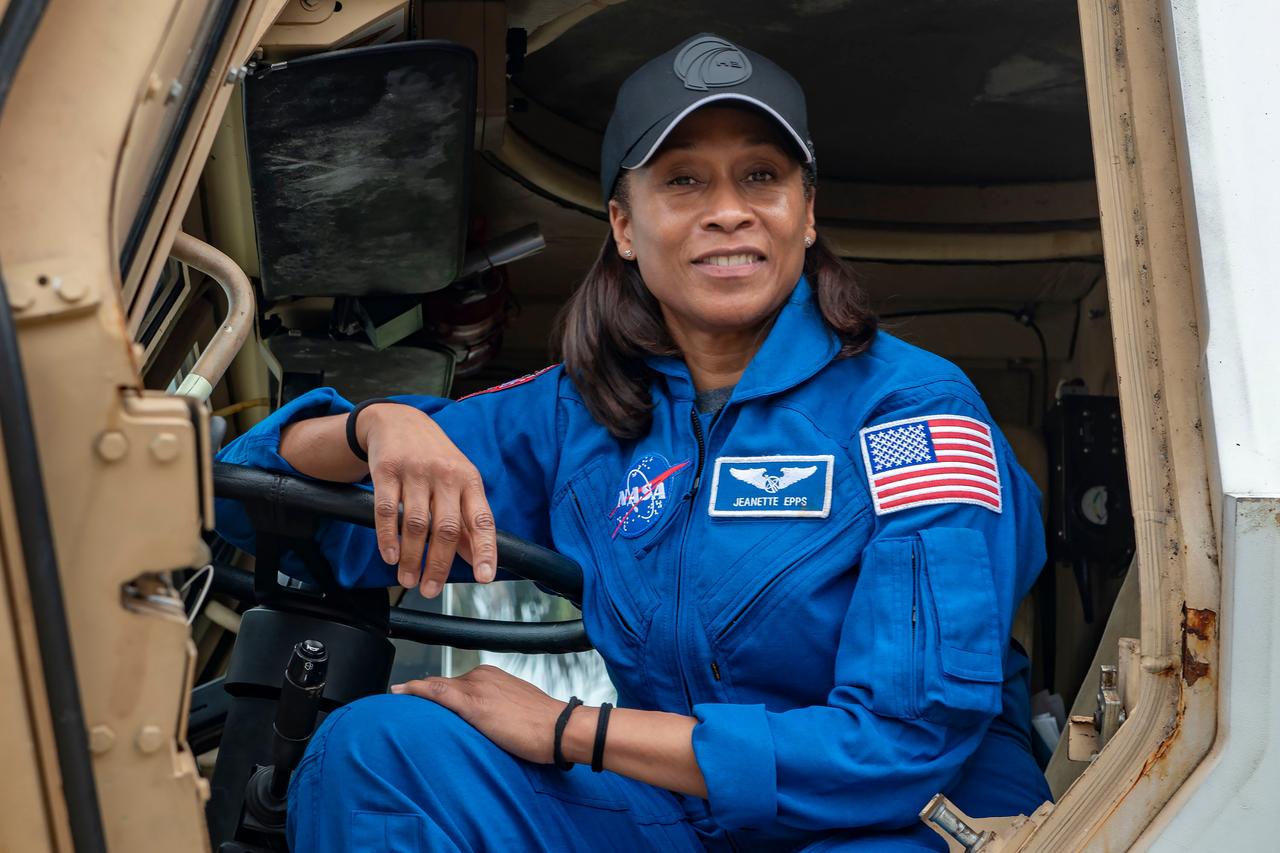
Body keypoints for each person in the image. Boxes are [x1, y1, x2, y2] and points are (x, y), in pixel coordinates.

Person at [215, 32, 1051, 852]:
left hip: (903, 820)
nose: (729, 210)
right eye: (683, 180)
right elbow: (257, 512)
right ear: (623, 224)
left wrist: (573, 728)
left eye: (762, 175)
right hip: (689, 820)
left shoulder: (912, 415)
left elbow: (902, 743)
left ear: (805, 213)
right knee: (378, 752)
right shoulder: (578, 415)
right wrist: (371, 426)